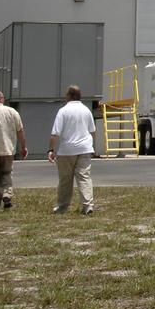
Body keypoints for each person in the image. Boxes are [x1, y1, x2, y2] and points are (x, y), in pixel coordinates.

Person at [48, 85, 96, 215]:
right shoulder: (86, 110)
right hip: (85, 148)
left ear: (68, 96)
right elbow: (92, 131)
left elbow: (55, 133)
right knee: (84, 177)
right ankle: (88, 205)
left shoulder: (63, 111)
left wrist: (51, 150)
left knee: (65, 179)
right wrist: (92, 146)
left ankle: (63, 206)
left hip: (67, 150)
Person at [0, 90, 27, 211]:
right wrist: (23, 147)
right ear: (1, 99)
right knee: (6, 173)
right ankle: (7, 194)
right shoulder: (12, 111)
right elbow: (20, 130)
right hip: (8, 149)